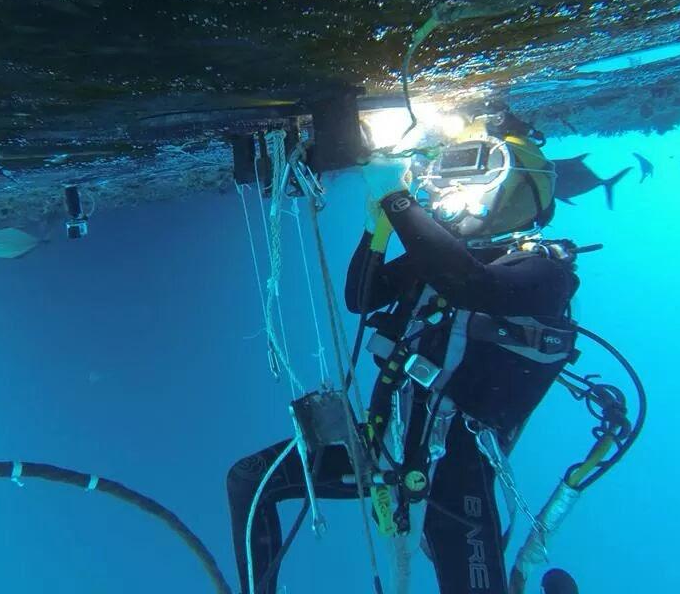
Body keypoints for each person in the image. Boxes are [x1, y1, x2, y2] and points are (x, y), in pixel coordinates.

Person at [226, 111, 580, 594]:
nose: (454, 190)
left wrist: (396, 200)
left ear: (519, 185)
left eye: (474, 173)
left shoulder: (545, 273)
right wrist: (377, 227)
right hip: (386, 446)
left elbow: (476, 287)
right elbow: (362, 297)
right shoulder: (439, 260)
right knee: (251, 479)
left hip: (456, 478)